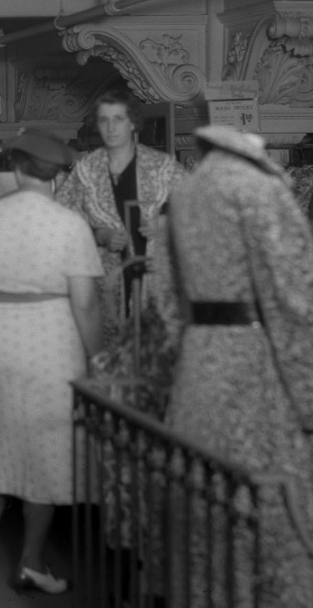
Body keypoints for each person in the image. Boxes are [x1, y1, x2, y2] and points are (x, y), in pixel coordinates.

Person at [0, 127, 104, 594]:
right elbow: (86, 304)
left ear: (15, 168)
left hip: (1, 334)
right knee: (48, 451)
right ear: (55, 176)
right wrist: (97, 360)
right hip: (54, 339)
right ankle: (32, 562)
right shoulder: (70, 224)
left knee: (3, 435)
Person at [165, 125, 313, 607]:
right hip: (254, 365)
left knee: (207, 498)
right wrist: (309, 399)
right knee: (269, 502)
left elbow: (173, 298)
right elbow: (292, 301)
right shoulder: (259, 190)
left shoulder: (186, 193)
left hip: (199, 362)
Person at [56, 89, 183, 347]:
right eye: (104, 120)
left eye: (118, 119)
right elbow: (61, 223)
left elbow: (199, 208)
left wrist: (165, 224)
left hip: (156, 278)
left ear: (133, 122)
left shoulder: (162, 166)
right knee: (111, 355)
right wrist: (99, 235)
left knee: (155, 357)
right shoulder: (86, 170)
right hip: (105, 281)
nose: (111, 127)